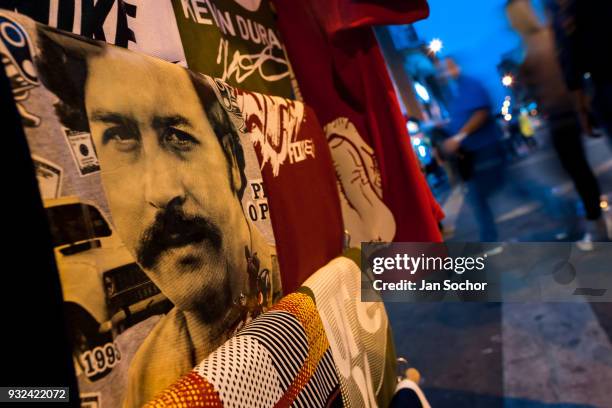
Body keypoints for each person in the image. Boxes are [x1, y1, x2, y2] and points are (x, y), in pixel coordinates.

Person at [34, 26, 281, 406]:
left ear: (233, 162)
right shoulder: (148, 371)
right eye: (120, 137)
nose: (160, 192)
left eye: (179, 135)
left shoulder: (296, 279)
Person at [506, 0, 608, 244]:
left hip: (561, 114)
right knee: (577, 169)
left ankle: (593, 222)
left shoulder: (532, 45)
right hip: (568, 109)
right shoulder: (549, 36)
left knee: (575, 170)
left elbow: (556, 76)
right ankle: (592, 220)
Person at [441, 58, 507, 241]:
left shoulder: (469, 84)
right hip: (475, 154)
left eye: (447, 68)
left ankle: (562, 208)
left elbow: (481, 113)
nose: (443, 73)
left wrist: (458, 137)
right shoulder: (456, 92)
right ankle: (490, 239)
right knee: (478, 197)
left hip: (486, 149)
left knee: (508, 189)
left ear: (457, 66)